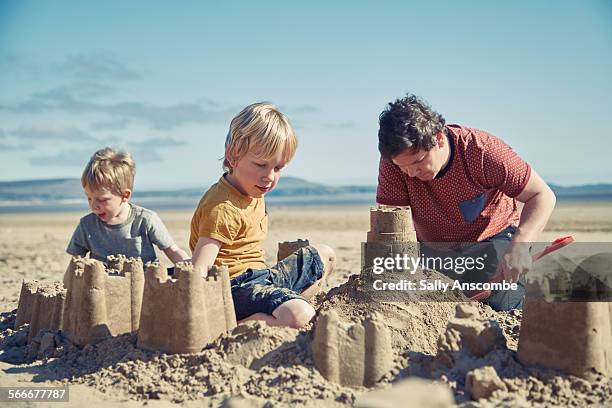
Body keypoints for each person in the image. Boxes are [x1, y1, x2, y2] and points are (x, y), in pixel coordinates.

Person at [376, 94, 556, 310]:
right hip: (433, 248)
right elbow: (395, 223)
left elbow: (542, 196)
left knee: (499, 304)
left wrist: (519, 246)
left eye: (418, 161)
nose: (411, 173)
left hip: (491, 239)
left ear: (439, 138)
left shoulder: (482, 151)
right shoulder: (393, 164)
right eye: (402, 167)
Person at [189, 102, 336, 328]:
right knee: (299, 315)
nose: (269, 176)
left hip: (261, 278)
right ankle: (231, 325)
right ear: (233, 156)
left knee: (325, 255)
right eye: (261, 165)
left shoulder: (254, 188)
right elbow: (199, 270)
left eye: (278, 168)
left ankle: (284, 303)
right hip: (233, 289)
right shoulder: (222, 207)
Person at [65, 148, 189, 283]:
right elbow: (74, 263)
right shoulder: (87, 225)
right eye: (89, 198)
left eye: (102, 199)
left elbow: (172, 250)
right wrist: (66, 290)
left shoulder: (145, 220)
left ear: (125, 195)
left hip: (143, 285)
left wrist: (190, 268)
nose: (94, 205)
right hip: (104, 287)